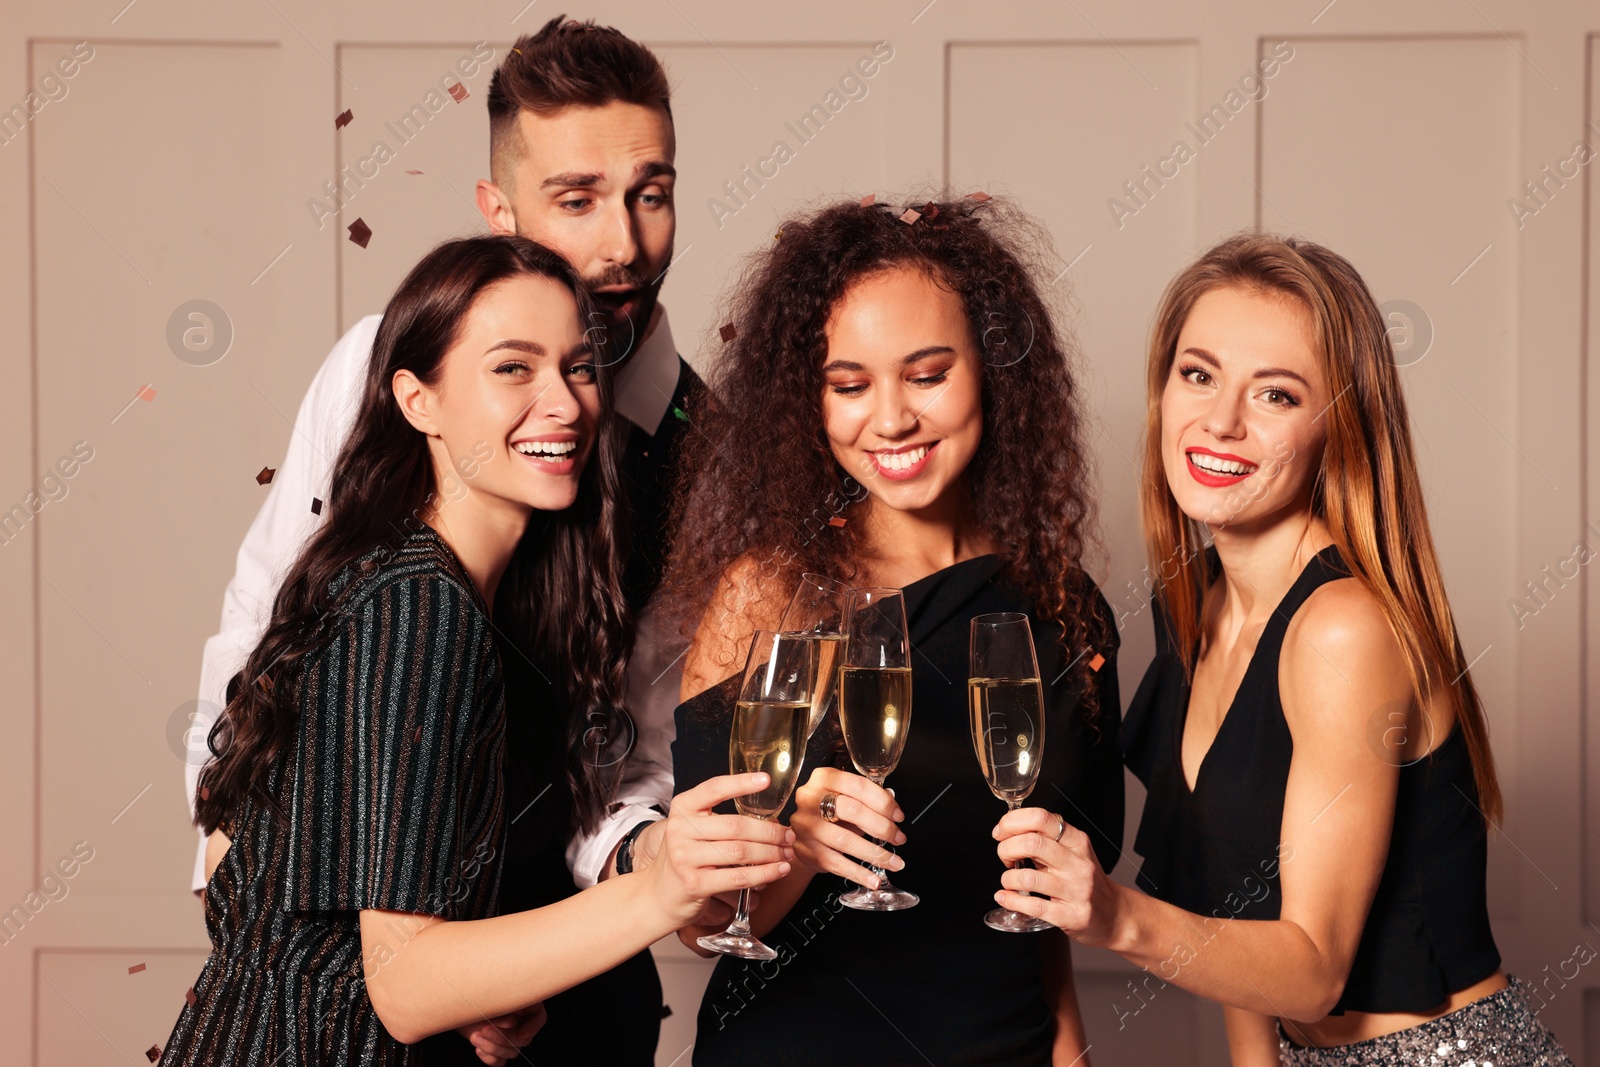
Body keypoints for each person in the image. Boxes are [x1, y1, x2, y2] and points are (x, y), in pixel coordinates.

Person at [184, 16, 703, 1062]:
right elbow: (271, 631)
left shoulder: (706, 448)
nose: (621, 244)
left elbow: (632, 745)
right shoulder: (387, 402)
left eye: (650, 194)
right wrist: (249, 890)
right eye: (576, 199)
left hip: (550, 964)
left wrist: (548, 929)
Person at [161, 234, 793, 1067]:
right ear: (417, 399)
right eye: (512, 369)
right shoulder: (422, 605)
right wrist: (661, 888)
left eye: (576, 367)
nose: (563, 403)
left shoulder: (403, 580)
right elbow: (405, 983)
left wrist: (469, 985)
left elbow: (241, 848)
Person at [991, 234, 1574, 1065]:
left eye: (1275, 394)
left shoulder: (1343, 628)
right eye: (1198, 374)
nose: (1220, 420)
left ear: (1339, 425)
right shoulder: (1198, 606)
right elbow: (1244, 926)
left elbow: (1312, 973)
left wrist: (1112, 914)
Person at [665, 194, 1124, 1067]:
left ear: (992, 368)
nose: (891, 419)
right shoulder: (766, 598)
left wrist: (1071, 1046)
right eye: (849, 385)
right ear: (810, 400)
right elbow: (700, 925)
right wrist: (796, 847)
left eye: (927, 373)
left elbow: (1040, 893)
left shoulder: (1064, 605)